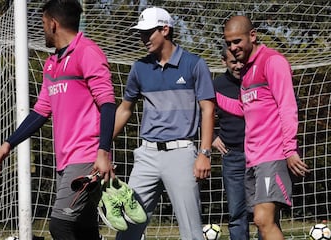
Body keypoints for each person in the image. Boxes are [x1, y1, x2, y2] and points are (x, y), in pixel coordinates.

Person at [0, 0, 116, 239]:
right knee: (83, 230)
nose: (43, 28)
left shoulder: (87, 52)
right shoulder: (52, 64)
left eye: (43, 23)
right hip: (65, 161)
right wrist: (9, 144)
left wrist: (103, 152)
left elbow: (108, 103)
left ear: (53, 24)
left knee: (60, 226)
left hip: (87, 157)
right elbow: (40, 112)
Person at [113, 7, 216, 240]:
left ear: (165, 29)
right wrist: (102, 146)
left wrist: (205, 153)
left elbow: (208, 109)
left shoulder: (194, 64)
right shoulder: (139, 68)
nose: (143, 38)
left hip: (182, 154)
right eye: (141, 33)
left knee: (191, 232)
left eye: (148, 32)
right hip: (146, 156)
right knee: (127, 229)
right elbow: (125, 109)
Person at [220, 15, 309, 239]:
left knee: (263, 218)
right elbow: (244, 108)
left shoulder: (273, 61)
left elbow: (287, 107)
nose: (233, 47)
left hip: (273, 156)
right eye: (228, 43)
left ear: (253, 35)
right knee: (262, 222)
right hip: (253, 159)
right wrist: (211, 97)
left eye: (237, 41)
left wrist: (289, 149)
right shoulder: (247, 70)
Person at [212, 46, 250, 240]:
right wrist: (212, 137)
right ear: (223, 62)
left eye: (240, 61)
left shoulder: (258, 79)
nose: (238, 65)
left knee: (265, 212)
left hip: (261, 155)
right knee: (236, 213)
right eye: (233, 62)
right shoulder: (216, 85)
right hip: (232, 156)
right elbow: (201, 114)